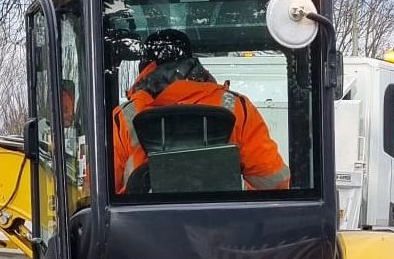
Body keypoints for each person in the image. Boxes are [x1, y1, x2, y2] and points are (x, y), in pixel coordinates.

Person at [110, 28, 291, 194]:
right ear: (192, 61)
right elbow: (274, 182)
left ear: (144, 67)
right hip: (226, 224)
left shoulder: (124, 118)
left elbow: (100, 191)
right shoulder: (236, 107)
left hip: (143, 225)